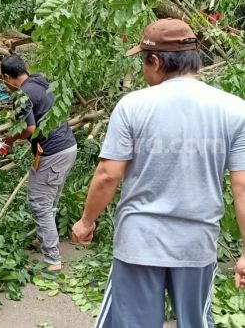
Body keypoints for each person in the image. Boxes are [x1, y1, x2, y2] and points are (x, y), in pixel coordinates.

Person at [71, 18, 245, 327]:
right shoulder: (234, 109)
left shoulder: (133, 106)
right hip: (197, 243)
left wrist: (86, 222)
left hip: (140, 243)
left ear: (155, 61)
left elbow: (108, 175)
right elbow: (242, 186)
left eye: (143, 61)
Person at [0, 54, 78, 271]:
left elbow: (30, 129)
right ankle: (45, 240)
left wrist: (11, 138)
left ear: (6, 77)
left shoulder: (22, 95)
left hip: (52, 153)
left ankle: (53, 259)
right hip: (68, 147)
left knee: (40, 203)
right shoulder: (41, 80)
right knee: (49, 200)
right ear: (25, 67)